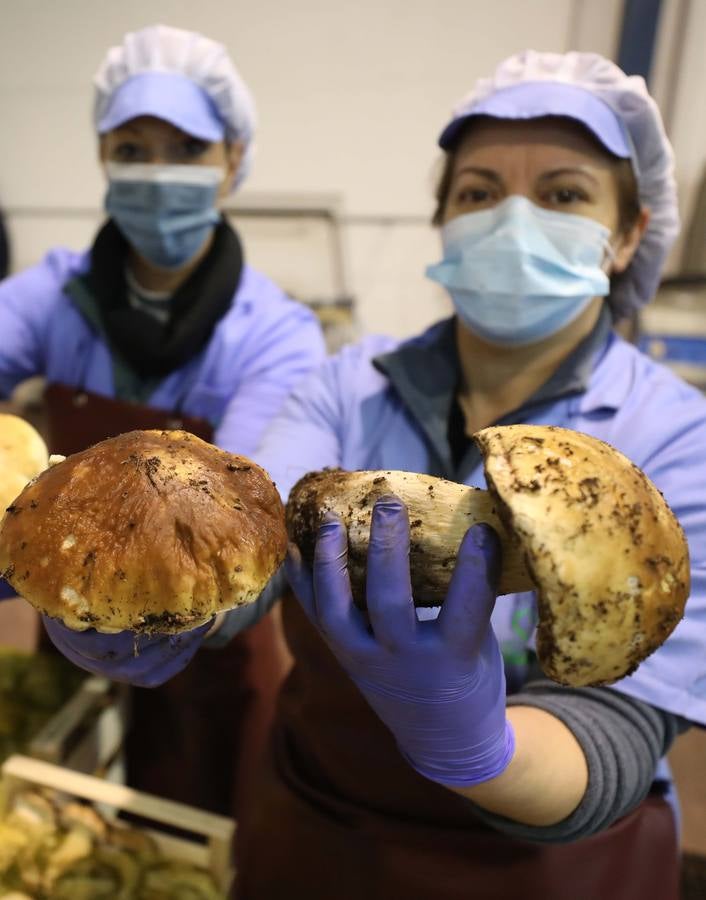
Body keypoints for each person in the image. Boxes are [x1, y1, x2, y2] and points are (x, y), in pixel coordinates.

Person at [44, 50, 706, 900]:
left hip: (548, 869)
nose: (512, 219)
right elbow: (245, 545)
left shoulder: (676, 443)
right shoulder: (344, 386)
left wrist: (480, 749)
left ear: (627, 235)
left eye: (564, 194)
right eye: (477, 192)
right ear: (443, 219)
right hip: (324, 832)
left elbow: (623, 727)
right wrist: (145, 608)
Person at [0, 24, 325, 818]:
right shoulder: (56, 297)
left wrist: (175, 612)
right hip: (67, 604)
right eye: (132, 149)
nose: (156, 174)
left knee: (184, 819)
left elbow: (250, 530)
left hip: (207, 649)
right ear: (104, 157)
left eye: (185, 148)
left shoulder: (275, 335)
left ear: (233, 161)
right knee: (56, 806)